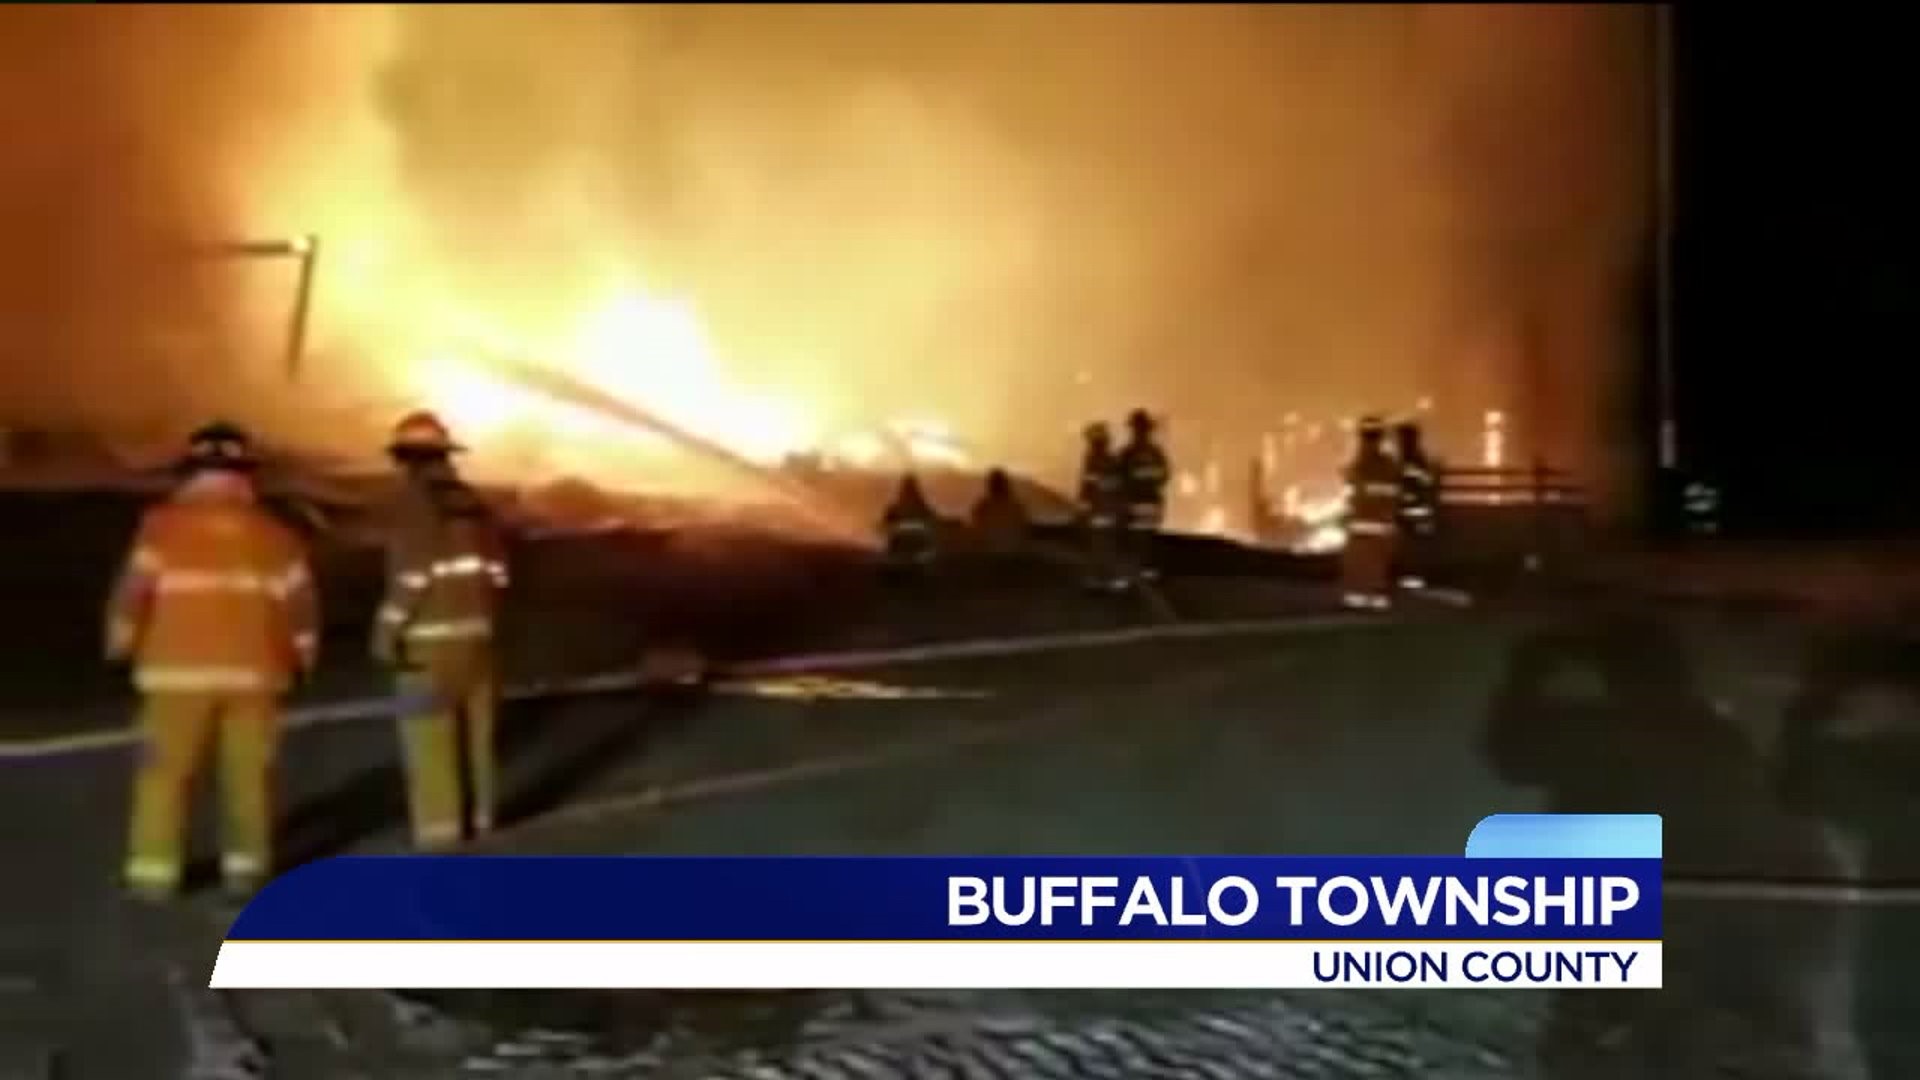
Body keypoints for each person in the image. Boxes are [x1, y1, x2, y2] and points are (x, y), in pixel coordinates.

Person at [108, 421, 318, 901]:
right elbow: (301, 609)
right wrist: (303, 657)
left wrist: (119, 647)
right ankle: (246, 871)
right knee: (250, 777)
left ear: (190, 473)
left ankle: (153, 877)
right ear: (246, 476)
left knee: (163, 776)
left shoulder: (161, 527)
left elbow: (132, 596)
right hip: (257, 677)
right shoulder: (277, 535)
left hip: (175, 679)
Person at [373, 410, 510, 850]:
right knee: (478, 738)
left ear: (406, 460)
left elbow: (411, 575)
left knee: (431, 743)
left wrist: (386, 631)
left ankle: (441, 841)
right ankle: (484, 818)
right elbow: (500, 572)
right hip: (478, 640)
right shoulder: (473, 502)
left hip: (427, 648)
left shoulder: (413, 506)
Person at [1340, 416, 1400, 610]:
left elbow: (1352, 490)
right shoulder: (1388, 465)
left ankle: (1358, 597)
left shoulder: (1360, 465)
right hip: (1382, 524)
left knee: (1359, 561)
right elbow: (1393, 493)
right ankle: (1376, 597)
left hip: (1362, 524)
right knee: (1377, 561)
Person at [1116, 408, 1171, 585]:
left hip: (1134, 503)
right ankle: (1146, 572)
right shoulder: (1156, 453)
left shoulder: (1127, 453)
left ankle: (1136, 573)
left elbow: (1119, 479)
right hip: (1152, 503)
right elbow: (1164, 476)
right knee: (1148, 537)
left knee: (1135, 539)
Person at [1076, 422, 1125, 590]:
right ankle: (1112, 579)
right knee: (1109, 544)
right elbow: (1119, 488)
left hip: (1098, 511)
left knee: (1097, 546)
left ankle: (1098, 578)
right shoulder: (1114, 461)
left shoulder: (1092, 460)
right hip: (1111, 512)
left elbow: (1087, 489)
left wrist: (1081, 512)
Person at [1392, 421, 1439, 589]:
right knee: (1410, 547)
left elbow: (1412, 487)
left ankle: (1410, 576)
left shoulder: (1411, 462)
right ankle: (1409, 575)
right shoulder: (1413, 460)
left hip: (1413, 515)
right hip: (1414, 514)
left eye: (1400, 439)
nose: (1398, 443)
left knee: (1409, 547)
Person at [880, 472, 939, 574]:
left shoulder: (917, 507)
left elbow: (932, 520)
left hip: (912, 550)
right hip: (903, 550)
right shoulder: (897, 509)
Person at [969, 467, 1030, 558]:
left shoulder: (983, 507)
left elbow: (976, 530)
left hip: (991, 554)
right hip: (1013, 553)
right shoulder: (1016, 506)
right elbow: (1024, 530)